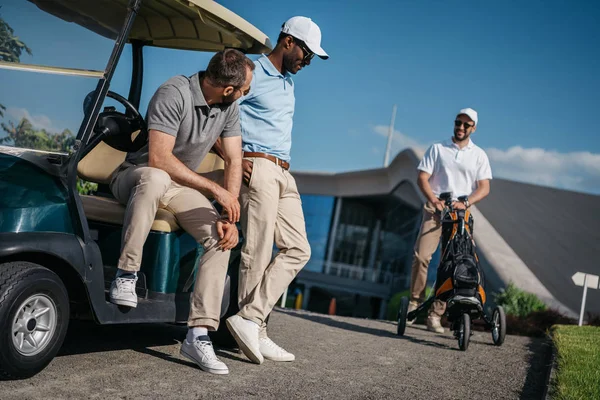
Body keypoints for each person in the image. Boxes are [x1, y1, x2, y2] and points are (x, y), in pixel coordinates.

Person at [107, 49, 255, 375]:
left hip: (178, 189)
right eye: (244, 90)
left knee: (221, 238)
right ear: (228, 89)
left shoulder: (228, 109)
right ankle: (126, 275)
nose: (245, 95)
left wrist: (229, 215)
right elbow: (158, 159)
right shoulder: (173, 93)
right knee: (157, 176)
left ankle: (198, 334)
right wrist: (214, 190)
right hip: (136, 175)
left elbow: (233, 159)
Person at [222, 16, 329, 364]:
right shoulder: (252, 73)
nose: (308, 61)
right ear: (287, 42)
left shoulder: (288, 83)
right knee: (257, 251)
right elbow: (219, 114)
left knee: (299, 249)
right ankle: (255, 327)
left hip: (284, 172)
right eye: (306, 53)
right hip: (258, 166)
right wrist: (234, 158)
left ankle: (251, 321)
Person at [408, 108, 492, 333]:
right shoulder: (438, 148)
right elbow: (422, 178)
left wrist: (466, 202)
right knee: (422, 256)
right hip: (435, 210)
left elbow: (484, 187)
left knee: (453, 264)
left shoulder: (479, 155)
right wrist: (434, 200)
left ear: (473, 128)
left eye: (466, 125)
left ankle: (436, 314)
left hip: (460, 215)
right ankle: (414, 302)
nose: (461, 127)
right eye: (458, 123)